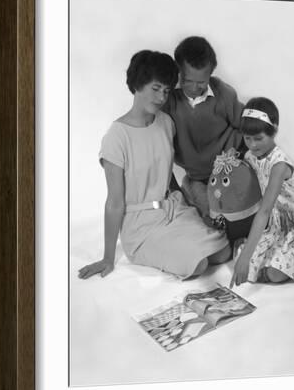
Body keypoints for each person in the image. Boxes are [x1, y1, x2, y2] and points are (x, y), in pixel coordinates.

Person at [78, 50, 231, 281]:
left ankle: (187, 239)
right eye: (156, 88)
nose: (161, 97)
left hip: (173, 210)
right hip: (141, 226)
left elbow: (165, 173)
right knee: (198, 265)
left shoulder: (165, 123)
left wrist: (190, 205)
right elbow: (114, 202)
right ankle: (170, 249)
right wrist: (108, 257)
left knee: (223, 252)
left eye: (167, 90)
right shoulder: (116, 136)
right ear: (138, 85)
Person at [231, 97, 294, 286]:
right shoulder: (251, 156)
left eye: (259, 138)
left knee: (274, 273)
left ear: (274, 130)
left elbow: (265, 211)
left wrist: (246, 258)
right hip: (276, 226)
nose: (252, 145)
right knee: (243, 262)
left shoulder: (279, 166)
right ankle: (256, 254)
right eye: (247, 138)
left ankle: (275, 262)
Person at [162, 36, 245, 221]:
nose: (193, 87)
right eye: (187, 80)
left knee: (245, 205)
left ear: (210, 75)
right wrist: (174, 192)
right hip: (199, 178)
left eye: (201, 82)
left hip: (234, 162)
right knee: (213, 217)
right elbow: (160, 152)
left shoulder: (223, 93)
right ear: (178, 72)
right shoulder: (167, 102)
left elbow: (248, 126)